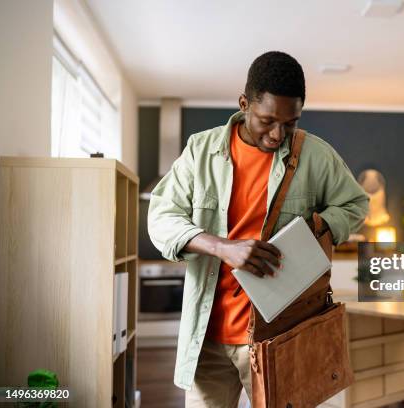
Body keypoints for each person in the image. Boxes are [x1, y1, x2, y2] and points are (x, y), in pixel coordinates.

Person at [148, 51, 369, 408]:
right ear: (243, 104)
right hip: (206, 340)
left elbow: (356, 205)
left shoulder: (316, 155)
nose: (278, 134)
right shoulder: (200, 151)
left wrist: (316, 228)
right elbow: (160, 218)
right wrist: (222, 247)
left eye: (291, 122)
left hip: (279, 339)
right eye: (267, 120)